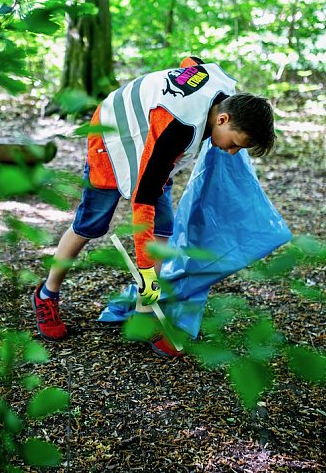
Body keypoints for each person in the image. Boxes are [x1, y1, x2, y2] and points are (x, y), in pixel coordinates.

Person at [31, 56, 276, 357]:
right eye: (235, 143)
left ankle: (144, 314)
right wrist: (146, 270)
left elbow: (191, 62)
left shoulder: (222, 89)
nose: (233, 151)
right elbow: (143, 201)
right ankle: (47, 294)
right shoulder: (178, 129)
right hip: (111, 137)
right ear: (223, 119)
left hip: (151, 143)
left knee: (163, 229)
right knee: (90, 225)